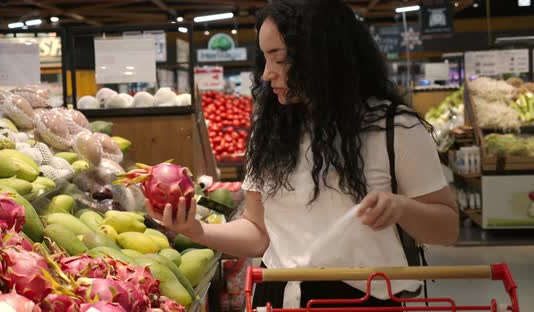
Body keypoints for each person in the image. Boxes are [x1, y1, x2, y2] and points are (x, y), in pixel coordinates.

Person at [145, 0, 459, 308]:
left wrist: (402, 207)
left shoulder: (395, 128)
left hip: (363, 301)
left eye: (279, 59)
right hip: (278, 298)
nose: (267, 74)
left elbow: (447, 228)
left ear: (323, 57)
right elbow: (258, 232)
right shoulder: (272, 132)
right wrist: (196, 230)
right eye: (265, 59)